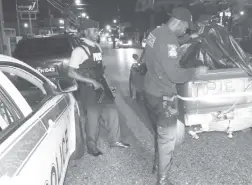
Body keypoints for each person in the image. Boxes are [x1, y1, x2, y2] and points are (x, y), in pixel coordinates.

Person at [141, 7, 207, 185]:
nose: (187, 30)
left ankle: (157, 165)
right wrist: (196, 71)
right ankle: (162, 180)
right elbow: (175, 76)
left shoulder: (156, 32)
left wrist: (190, 38)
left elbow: (171, 42)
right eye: (186, 27)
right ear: (178, 22)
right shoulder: (169, 42)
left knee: (160, 133)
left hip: (150, 90)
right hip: (164, 96)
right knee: (168, 140)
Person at [67, 20, 129, 157]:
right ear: (86, 32)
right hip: (88, 89)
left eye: (97, 30)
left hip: (101, 86)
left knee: (112, 111)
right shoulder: (79, 51)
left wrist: (108, 85)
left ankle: (115, 140)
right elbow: (71, 72)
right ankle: (91, 147)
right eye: (94, 31)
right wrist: (90, 81)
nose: (97, 33)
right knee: (93, 118)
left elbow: (100, 69)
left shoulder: (97, 47)